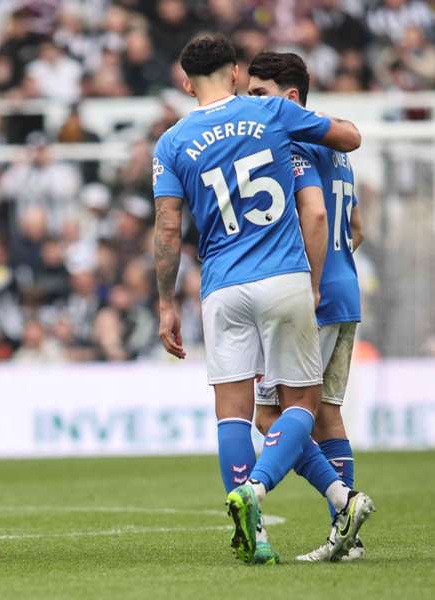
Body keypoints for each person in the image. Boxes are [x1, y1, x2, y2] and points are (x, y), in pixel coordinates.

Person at [151, 34, 375, 564]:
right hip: (285, 277)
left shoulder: (171, 141)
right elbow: (350, 137)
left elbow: (166, 229)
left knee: (234, 412)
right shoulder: (272, 112)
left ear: (185, 82)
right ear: (233, 73)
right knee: (304, 404)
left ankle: (266, 530)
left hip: (221, 285)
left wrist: (164, 303)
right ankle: (272, 491)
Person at [247, 51, 366, 562]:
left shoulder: (294, 142)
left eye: (259, 94)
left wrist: (311, 284)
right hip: (348, 292)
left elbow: (313, 216)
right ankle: (349, 535)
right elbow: (355, 228)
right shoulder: (338, 152)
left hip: (313, 296)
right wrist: (333, 275)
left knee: (270, 413)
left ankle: (344, 501)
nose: (251, 103)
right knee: (327, 415)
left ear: (289, 98)